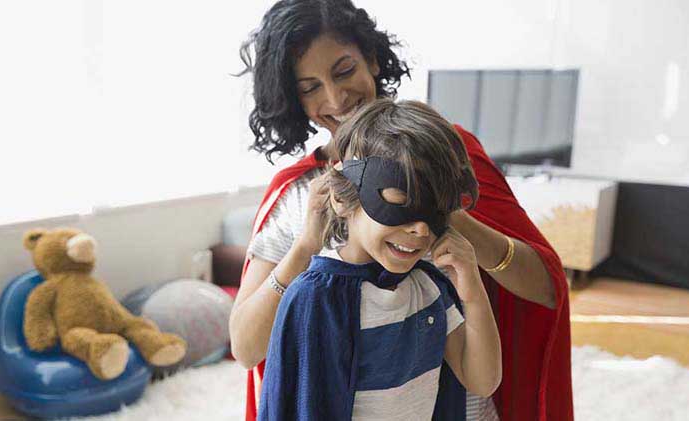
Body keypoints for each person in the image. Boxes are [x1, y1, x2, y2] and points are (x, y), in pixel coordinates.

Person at [230, 1, 573, 420]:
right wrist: (303, 249)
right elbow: (247, 349)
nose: (336, 98)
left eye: (343, 71)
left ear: (371, 60)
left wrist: (444, 208)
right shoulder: (299, 195)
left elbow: (545, 289)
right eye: (310, 87)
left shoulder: (446, 155)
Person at [258, 99, 501, 421]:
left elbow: (482, 381)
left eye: (436, 211)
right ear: (343, 198)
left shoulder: (427, 286)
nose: (420, 228)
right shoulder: (315, 298)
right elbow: (297, 405)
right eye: (401, 203)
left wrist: (473, 292)